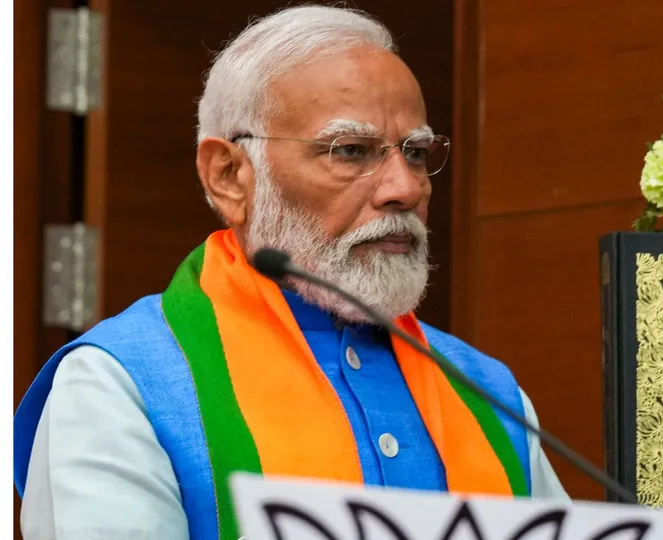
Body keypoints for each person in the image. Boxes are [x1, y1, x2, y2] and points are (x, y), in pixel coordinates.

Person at [13, 5, 568, 539]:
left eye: (417, 153)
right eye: (350, 150)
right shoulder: (119, 385)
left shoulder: (488, 392)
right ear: (229, 175)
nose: (406, 188)